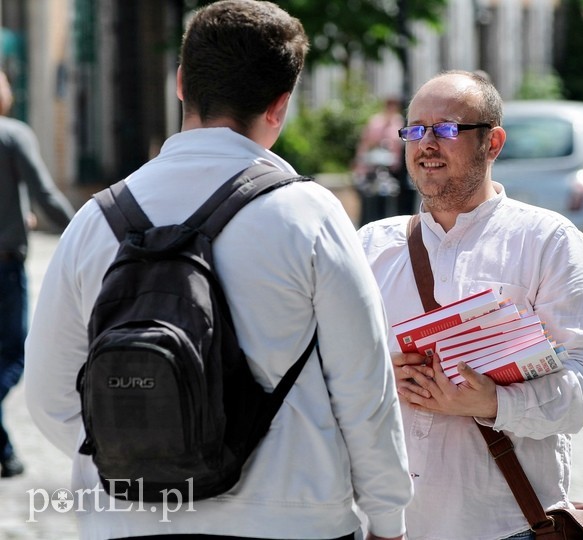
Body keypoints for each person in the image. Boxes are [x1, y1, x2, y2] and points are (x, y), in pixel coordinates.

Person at [25, 2, 412, 539]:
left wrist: (155, 453)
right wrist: (388, 518)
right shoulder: (309, 214)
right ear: (279, 105)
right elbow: (363, 387)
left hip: (127, 520)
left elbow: (48, 396)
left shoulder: (96, 220)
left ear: (181, 82)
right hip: (289, 520)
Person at [358, 70, 583, 539]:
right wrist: (377, 375)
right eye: (415, 129)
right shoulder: (370, 247)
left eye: (447, 129)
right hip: (388, 526)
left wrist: (494, 403)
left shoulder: (549, 242)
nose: (426, 144)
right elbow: (322, 372)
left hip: (505, 524)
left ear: (492, 143)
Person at [0, 70, 75, 478]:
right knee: (13, 353)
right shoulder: (12, 135)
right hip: (4, 264)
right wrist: (87, 228)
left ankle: (6, 454)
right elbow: (44, 193)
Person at [353, 96, 406, 225]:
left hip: (393, 169)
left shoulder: (399, 122)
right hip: (373, 167)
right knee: (370, 201)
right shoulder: (376, 122)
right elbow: (365, 143)